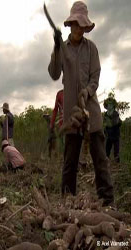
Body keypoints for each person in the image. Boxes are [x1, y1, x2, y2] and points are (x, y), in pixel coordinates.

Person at [48, 1, 114, 206]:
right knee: (69, 162)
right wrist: (57, 46)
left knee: (100, 160)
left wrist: (87, 91)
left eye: (81, 25)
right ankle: (67, 203)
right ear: (70, 25)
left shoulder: (91, 48)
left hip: (91, 113)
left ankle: (108, 202)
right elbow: (54, 73)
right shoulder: (63, 48)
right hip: (71, 116)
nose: (78, 28)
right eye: (75, 24)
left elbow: (95, 77)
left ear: (85, 27)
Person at [104, 97, 122, 163]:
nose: (109, 106)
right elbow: (105, 124)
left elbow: (118, 123)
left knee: (116, 150)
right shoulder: (106, 114)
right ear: (106, 106)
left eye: (111, 104)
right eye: (108, 104)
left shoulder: (115, 113)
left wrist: (116, 123)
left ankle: (117, 162)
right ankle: (106, 161)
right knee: (107, 149)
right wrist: (105, 131)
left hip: (115, 134)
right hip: (109, 134)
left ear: (113, 106)